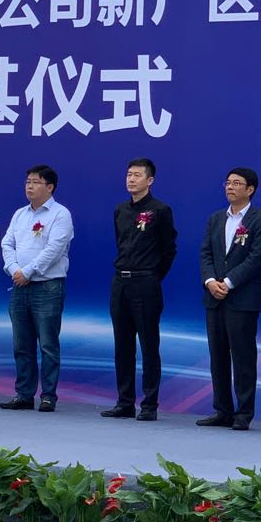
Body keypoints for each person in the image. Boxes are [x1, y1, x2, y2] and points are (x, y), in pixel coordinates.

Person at [101, 158, 177, 422]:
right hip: (120, 282)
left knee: (148, 344)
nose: (131, 179)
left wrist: (152, 276)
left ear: (150, 180)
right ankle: (124, 402)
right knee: (122, 345)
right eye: (128, 174)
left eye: (137, 175)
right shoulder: (120, 210)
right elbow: (120, 244)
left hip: (146, 283)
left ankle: (149, 404)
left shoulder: (160, 210)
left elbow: (168, 250)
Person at [197, 167, 261, 431]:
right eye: (228, 182)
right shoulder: (216, 218)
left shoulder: (260, 220)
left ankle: (244, 412)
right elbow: (206, 253)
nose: (230, 187)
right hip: (214, 298)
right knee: (217, 356)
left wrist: (227, 283)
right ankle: (222, 410)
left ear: (250, 189)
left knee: (243, 357)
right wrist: (210, 281)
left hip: (241, 299)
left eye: (236, 183)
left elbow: (255, 259)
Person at [0, 165, 74, 412]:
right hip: (19, 286)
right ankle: (24, 393)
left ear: (49, 187)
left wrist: (28, 272)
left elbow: (54, 250)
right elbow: (7, 243)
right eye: (27, 182)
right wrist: (14, 269)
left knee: (48, 344)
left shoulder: (60, 214)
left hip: (47, 287)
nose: (29, 186)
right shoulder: (20, 214)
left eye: (35, 182)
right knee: (22, 344)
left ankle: (48, 395)